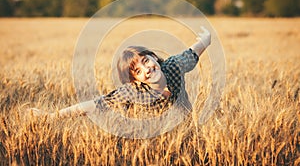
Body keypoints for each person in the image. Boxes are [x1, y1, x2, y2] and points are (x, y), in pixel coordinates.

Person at [29, 26, 211, 121]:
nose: (147, 70)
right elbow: (93, 105)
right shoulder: (132, 91)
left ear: (154, 57)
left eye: (146, 61)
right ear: (135, 80)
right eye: (138, 71)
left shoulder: (173, 66)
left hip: (188, 124)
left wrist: (206, 39)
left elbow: (193, 52)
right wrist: (52, 116)